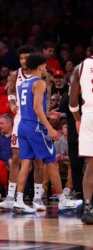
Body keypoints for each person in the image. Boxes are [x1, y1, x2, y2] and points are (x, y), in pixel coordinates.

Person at [14, 53, 82, 214]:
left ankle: (18, 201)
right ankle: (63, 200)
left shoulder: (23, 83)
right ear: (40, 66)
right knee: (51, 162)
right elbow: (37, 108)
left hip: (23, 125)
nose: (46, 70)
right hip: (35, 127)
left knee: (25, 163)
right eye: (45, 66)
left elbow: (31, 107)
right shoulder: (39, 83)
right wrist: (50, 128)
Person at [0, 45, 47, 211]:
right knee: (16, 158)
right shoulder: (16, 74)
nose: (24, 61)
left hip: (36, 119)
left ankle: (38, 198)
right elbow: (10, 89)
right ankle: (10, 197)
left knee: (38, 160)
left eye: (26, 58)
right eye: (21, 58)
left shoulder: (41, 74)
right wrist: (11, 101)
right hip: (20, 119)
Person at [69, 49, 93, 224]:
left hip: (89, 116)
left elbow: (72, 100)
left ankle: (87, 207)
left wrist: (77, 119)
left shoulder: (80, 67)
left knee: (90, 165)